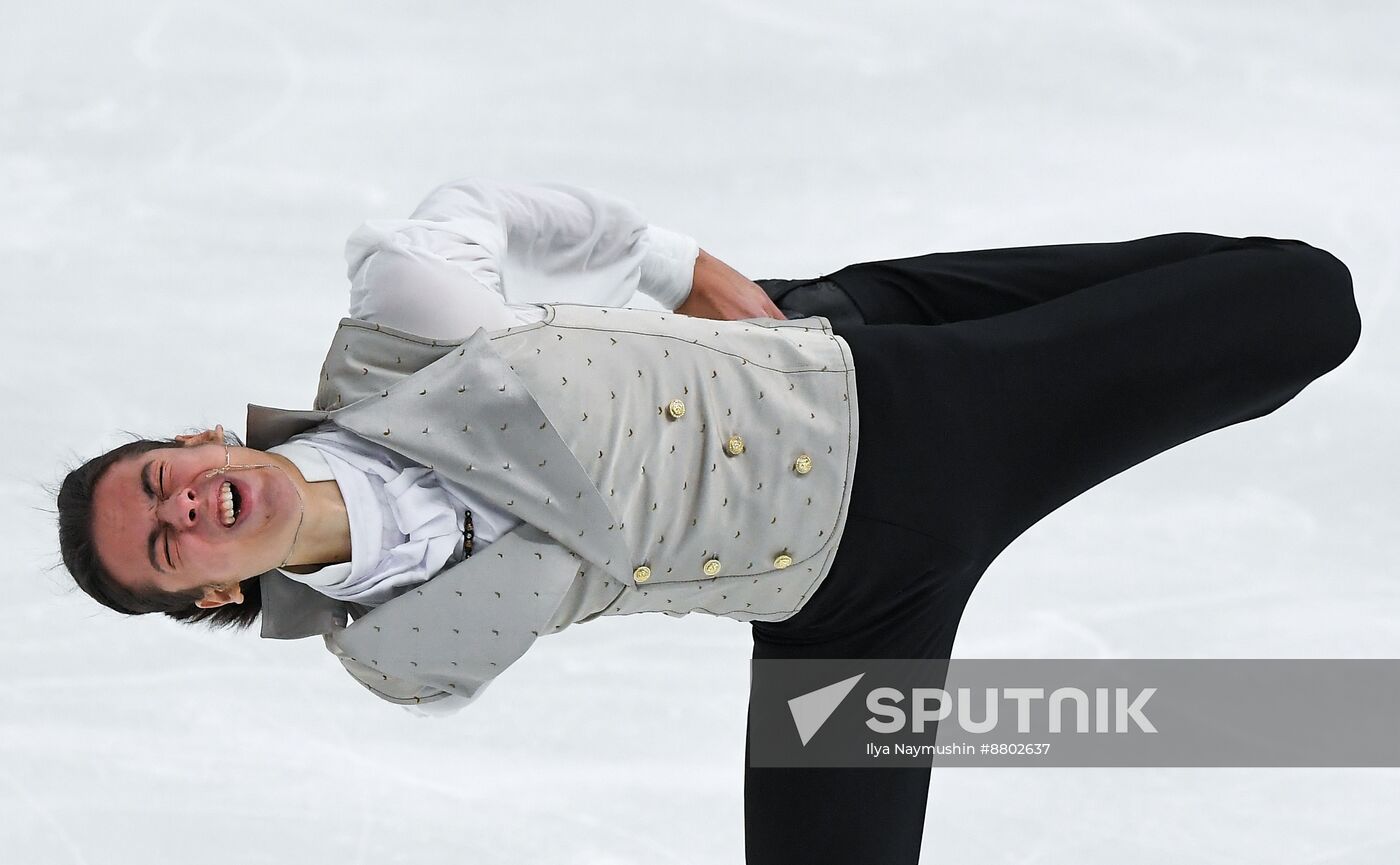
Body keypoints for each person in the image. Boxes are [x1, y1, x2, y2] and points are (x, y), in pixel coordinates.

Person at [56, 178, 1363, 864]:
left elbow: (487, 206)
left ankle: (841, 305)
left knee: (1301, 302)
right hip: (836, 603)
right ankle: (858, 305)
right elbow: (571, 535)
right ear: (215, 594)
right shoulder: (395, 649)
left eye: (158, 480)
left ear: (201, 442)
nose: (182, 507)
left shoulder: (400, 314)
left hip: (908, 411)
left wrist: (687, 270)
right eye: (169, 546)